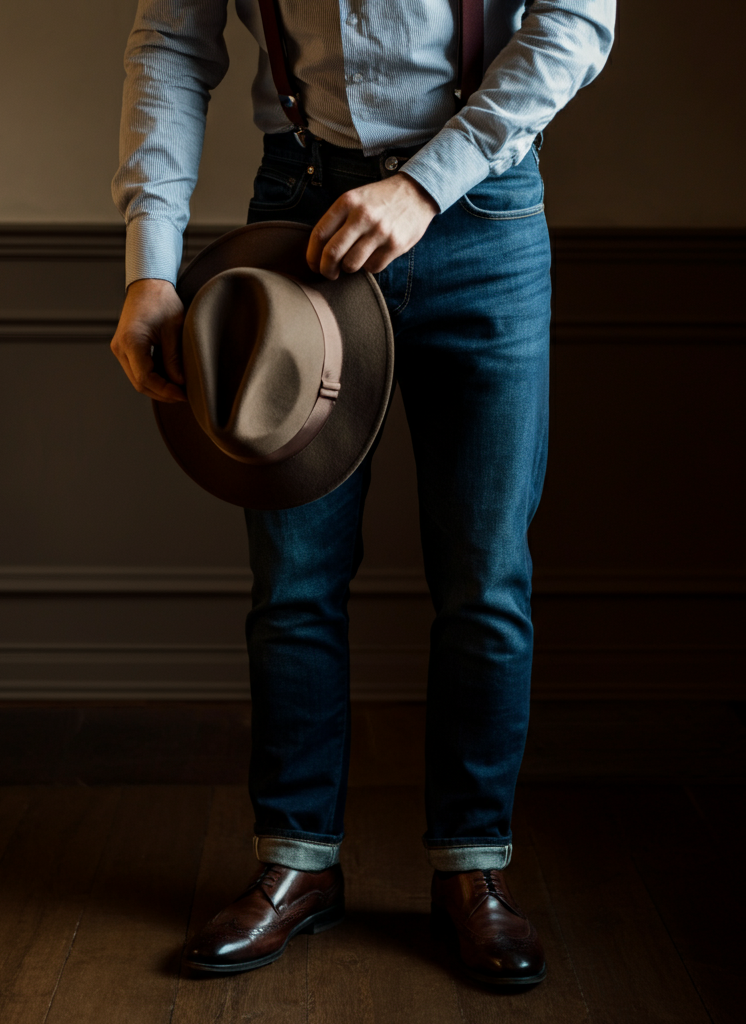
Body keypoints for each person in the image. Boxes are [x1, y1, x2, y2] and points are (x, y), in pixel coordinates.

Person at [109, 0, 615, 987]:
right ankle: (296, 862)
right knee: (294, 581)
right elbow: (171, 41)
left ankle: (473, 869)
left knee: (485, 578)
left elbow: (576, 19)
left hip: (486, 213)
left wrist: (424, 186)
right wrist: (149, 261)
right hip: (300, 208)